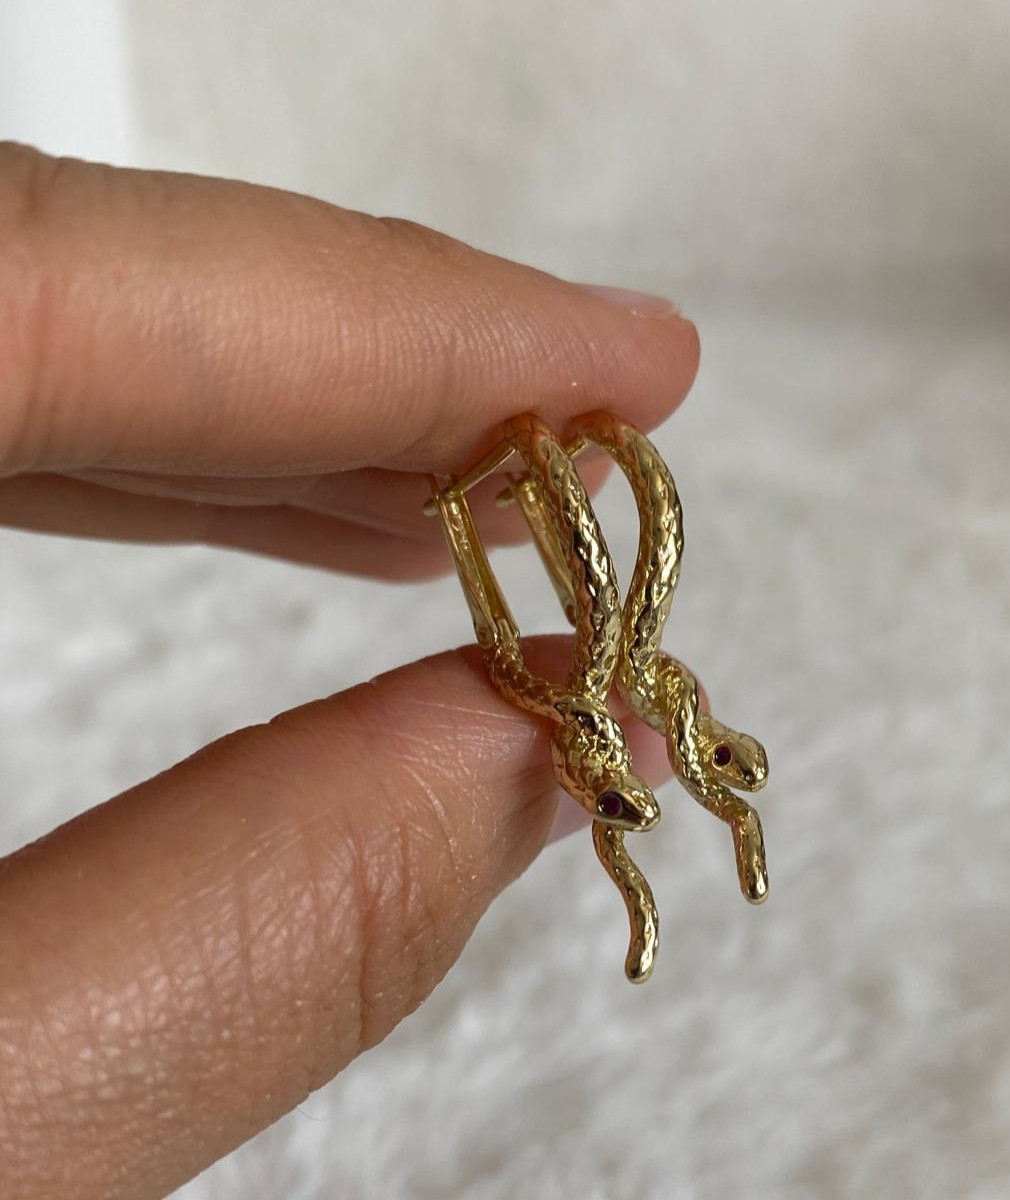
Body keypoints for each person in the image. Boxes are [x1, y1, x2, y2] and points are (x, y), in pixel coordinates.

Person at [0, 142, 699, 1199]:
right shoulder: (557, 690)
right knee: (583, 605)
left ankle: (505, 498)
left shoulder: (572, 685)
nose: (612, 788)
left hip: (542, 527)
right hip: (533, 517)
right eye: (607, 788)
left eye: (607, 791)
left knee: (594, 600)